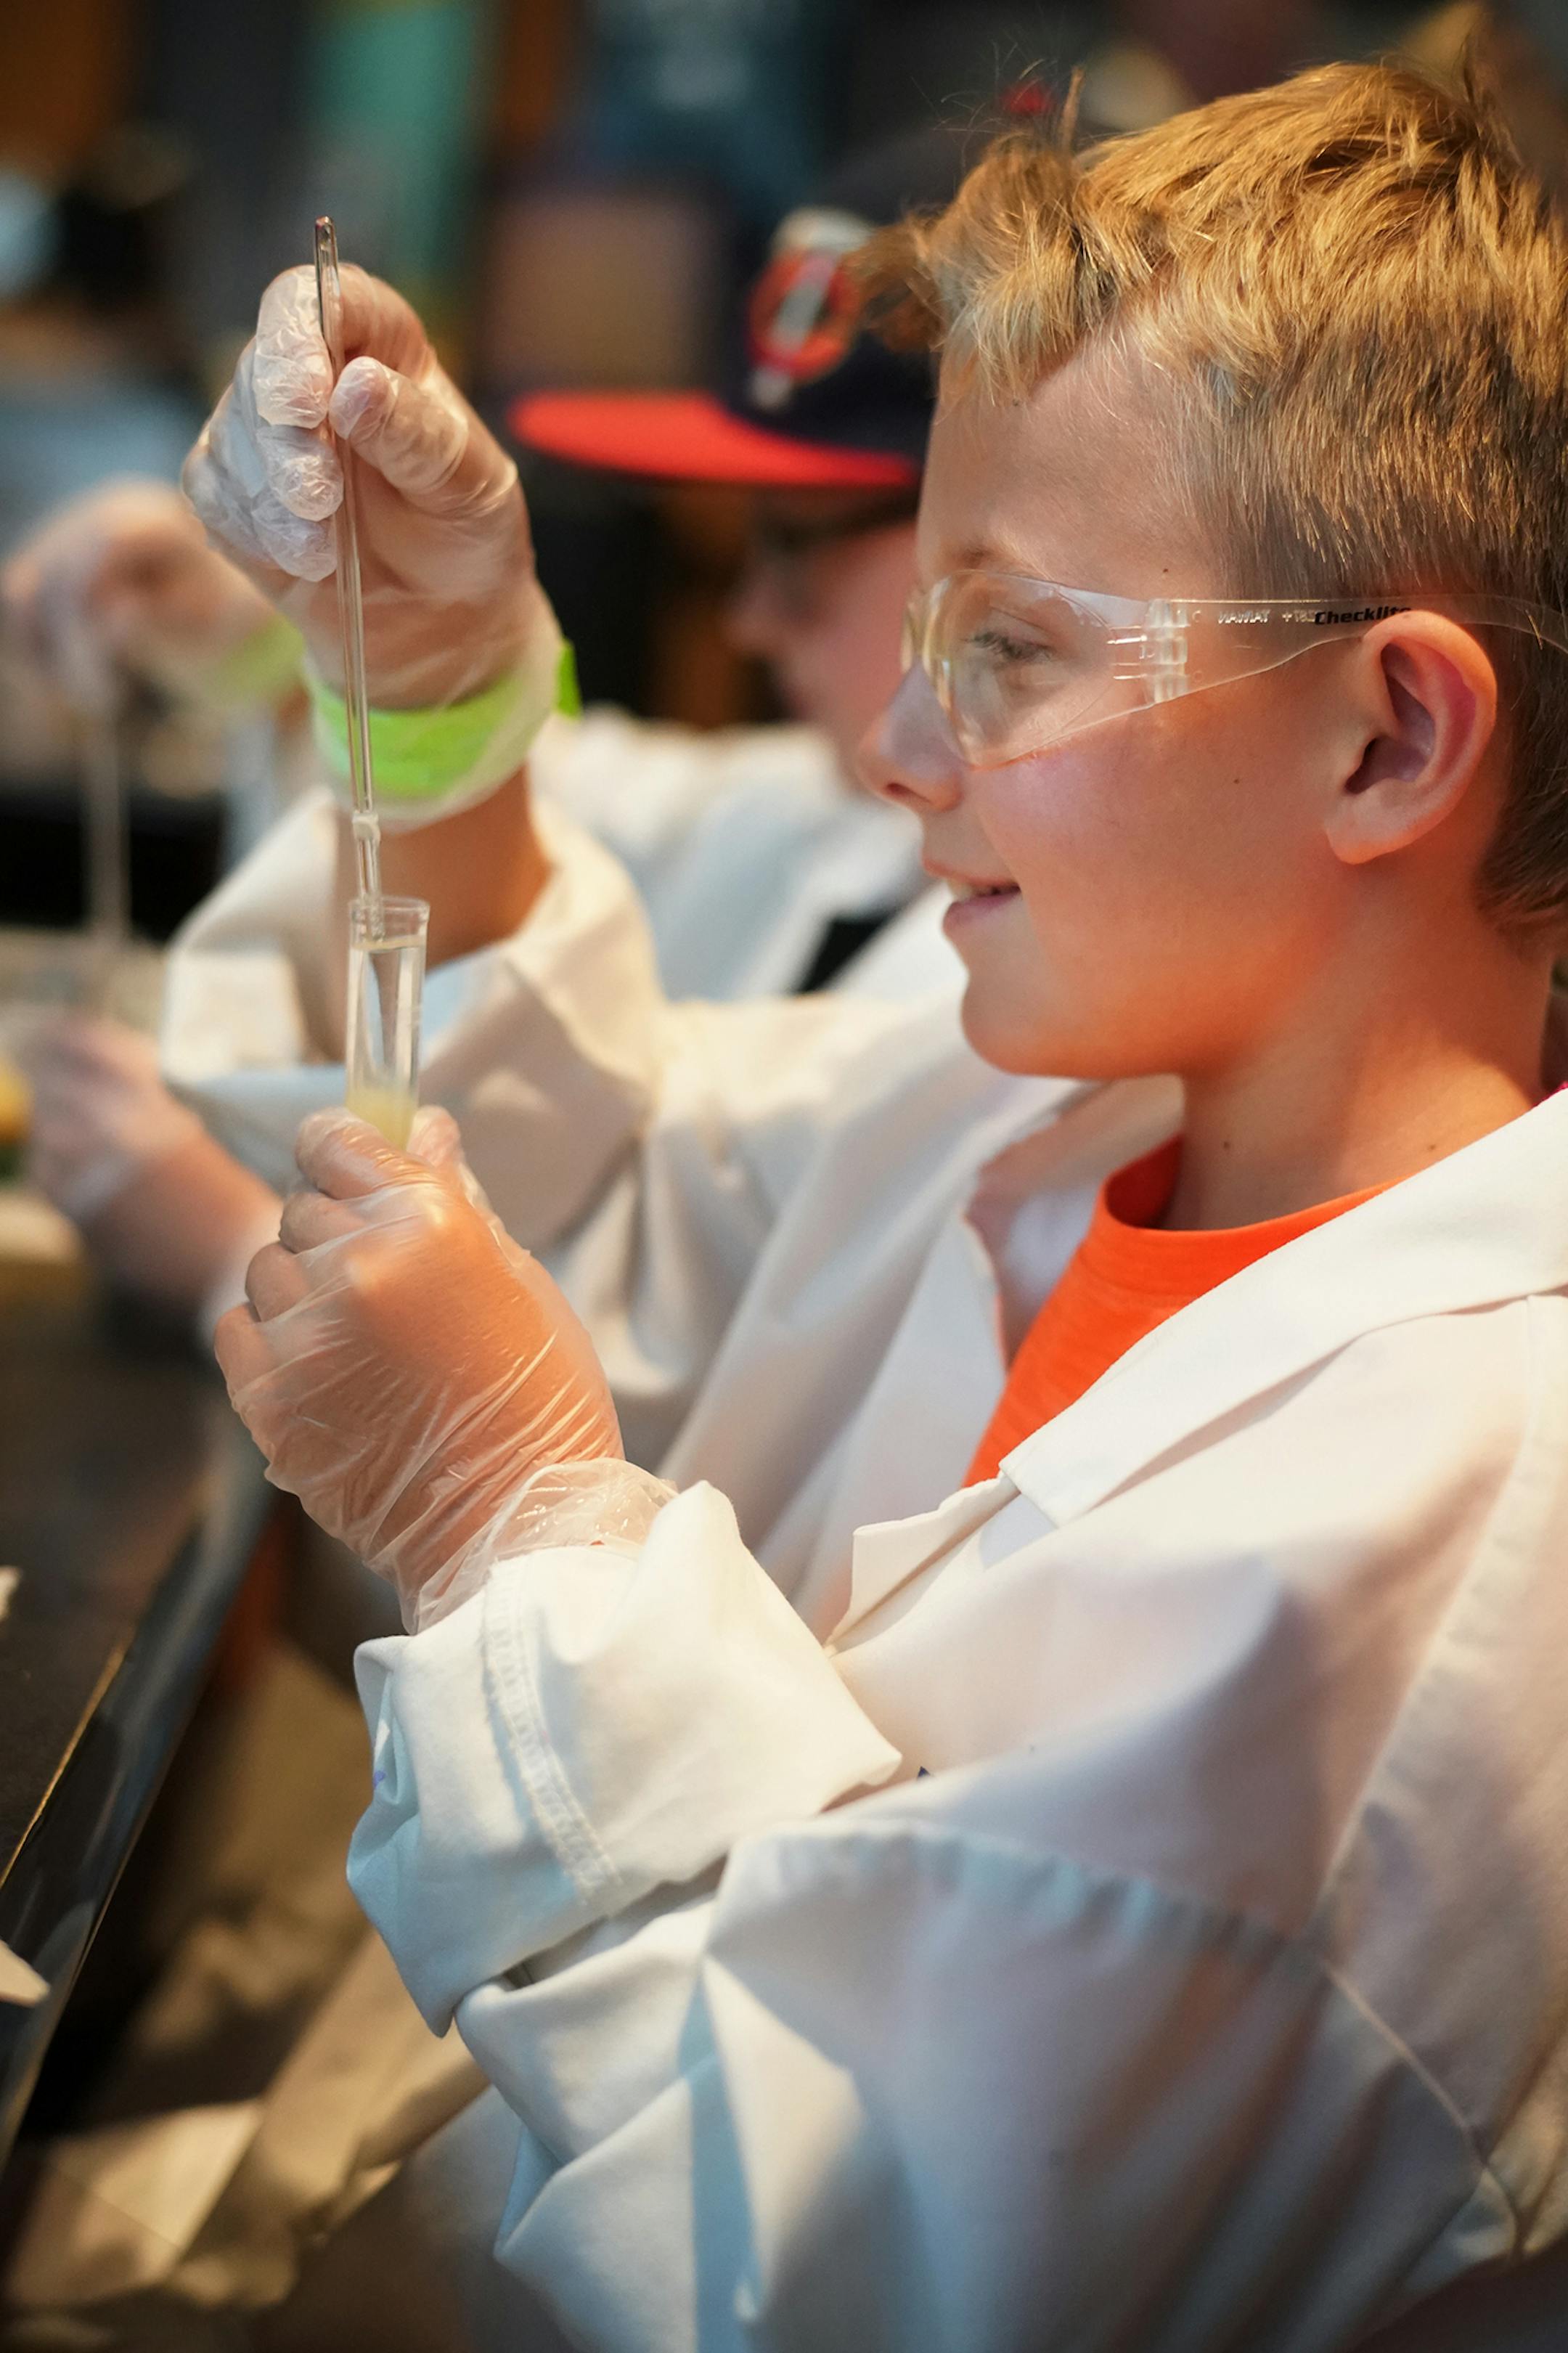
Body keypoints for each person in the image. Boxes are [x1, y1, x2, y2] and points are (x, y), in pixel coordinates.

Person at [207, 58, 1568, 2347]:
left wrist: (518, 1520)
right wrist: (431, 687)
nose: (893, 748)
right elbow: (571, 1198)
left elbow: (817, 2280)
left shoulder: (1434, 1566)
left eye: (1009, 647)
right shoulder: (1043, 1097)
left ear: (1389, 740)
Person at [2, 130, 974, 1337]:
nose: (750, 616)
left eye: (796, 542)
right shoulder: (824, 816)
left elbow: (705, 1370)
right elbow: (545, 793)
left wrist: (233, 1263)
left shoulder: (1024, 989)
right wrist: (276, 648)